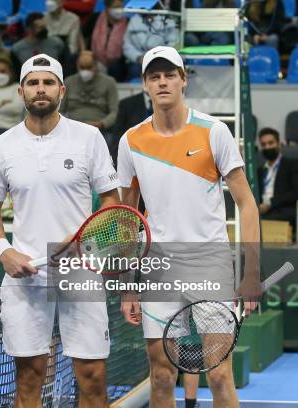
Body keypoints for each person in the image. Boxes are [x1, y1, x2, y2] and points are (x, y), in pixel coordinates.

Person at [117, 46, 261, 408]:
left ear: (183, 80)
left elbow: (247, 204)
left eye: (169, 75)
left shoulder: (214, 132)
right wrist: (127, 285)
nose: (162, 82)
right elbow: (127, 217)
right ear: (145, 85)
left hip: (208, 264)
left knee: (219, 374)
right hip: (157, 267)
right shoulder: (131, 141)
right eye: (154, 76)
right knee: (162, 376)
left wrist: (252, 273)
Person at [0, 53, 120, 407]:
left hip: (81, 274)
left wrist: (86, 242)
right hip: (26, 279)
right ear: (20, 91)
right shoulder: (1, 146)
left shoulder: (89, 138)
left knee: (93, 377)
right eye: (32, 83)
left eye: (47, 83)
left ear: (62, 90)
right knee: (28, 377)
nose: (39, 89)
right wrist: (4, 252)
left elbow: (111, 202)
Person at [60, 50, 118, 137]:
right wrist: (68, 124)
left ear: (96, 65)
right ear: (77, 65)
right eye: (82, 67)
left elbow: (115, 111)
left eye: (89, 67)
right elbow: (60, 109)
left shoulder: (109, 82)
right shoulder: (69, 82)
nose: (85, 71)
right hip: (72, 129)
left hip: (100, 130)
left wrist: (102, 123)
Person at [257, 127, 298, 230]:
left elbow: (295, 192)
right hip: (261, 211)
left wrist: (270, 204)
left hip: (283, 210)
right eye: (264, 145)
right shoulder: (259, 170)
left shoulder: (292, 165)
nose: (267, 147)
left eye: (271, 143)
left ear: (279, 144)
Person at [123, 13, 178, 80]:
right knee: (134, 69)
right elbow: (127, 45)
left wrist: (160, 56)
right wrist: (138, 57)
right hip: (139, 60)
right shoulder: (133, 21)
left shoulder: (167, 20)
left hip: (161, 58)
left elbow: (173, 42)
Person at [89, 0, 128, 81]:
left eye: (121, 7)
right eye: (115, 7)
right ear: (107, 8)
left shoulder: (127, 22)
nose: (119, 10)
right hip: (96, 58)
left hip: (119, 61)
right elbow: (83, 35)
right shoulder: (95, 18)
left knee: (115, 67)